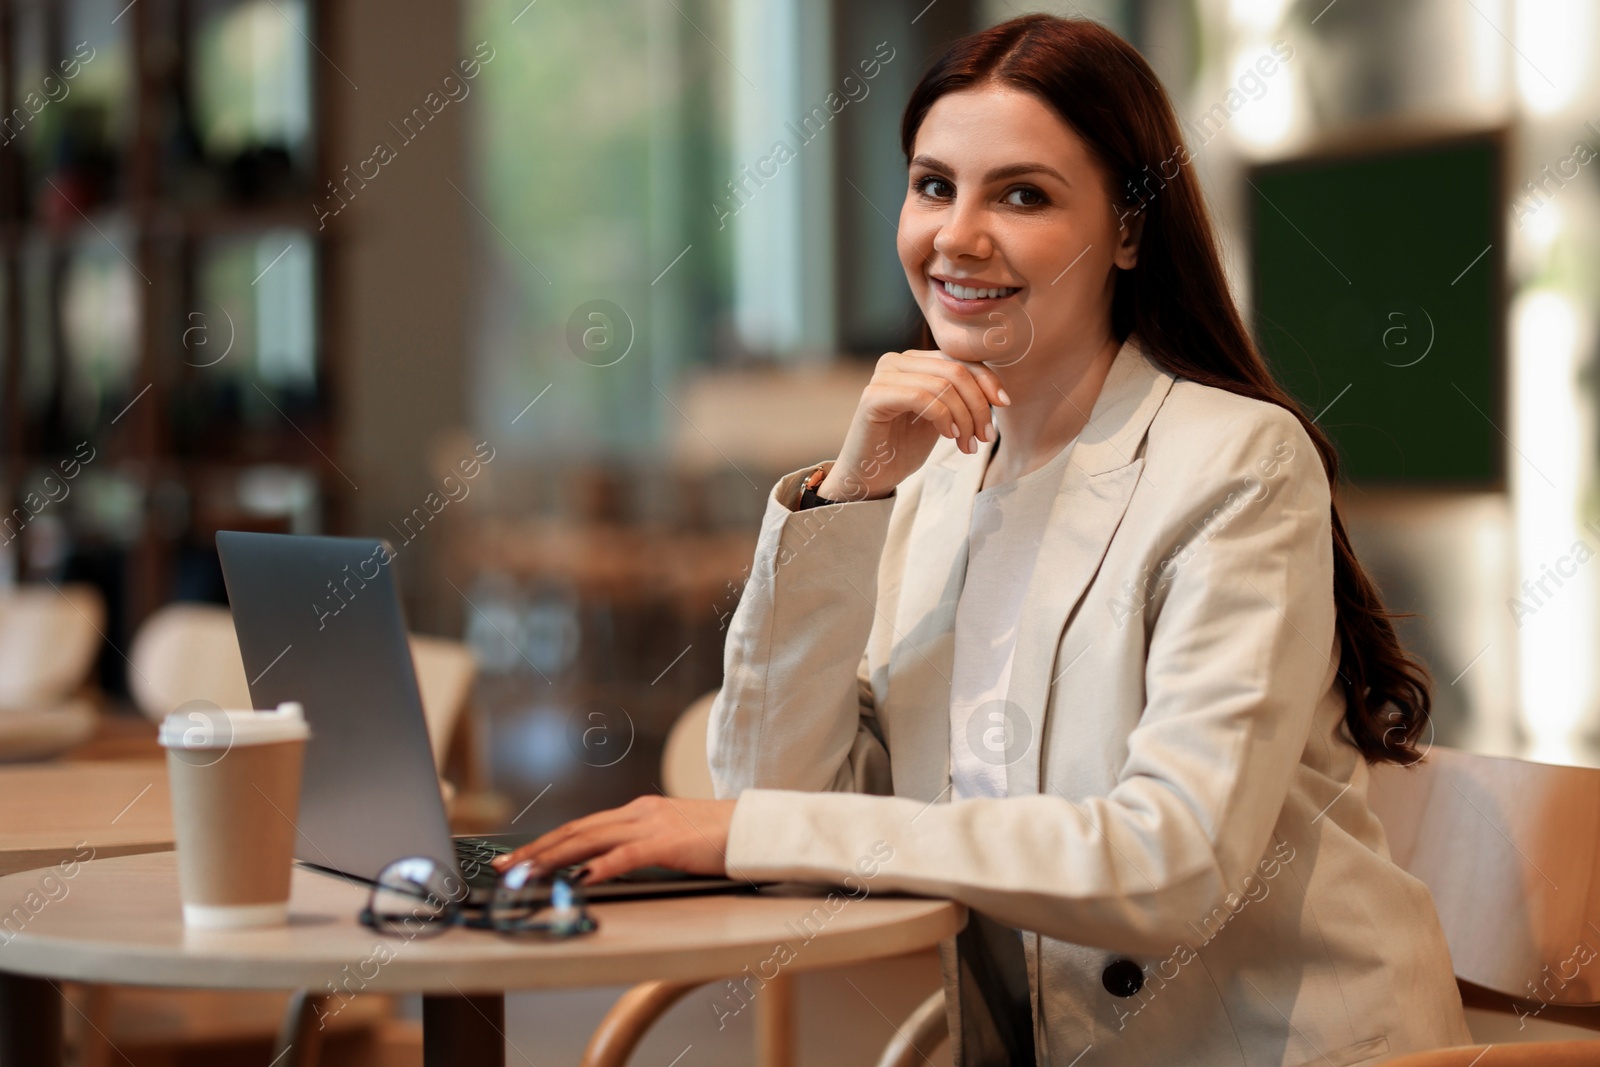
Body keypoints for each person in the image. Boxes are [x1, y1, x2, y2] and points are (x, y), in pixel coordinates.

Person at [496, 14, 1474, 1065]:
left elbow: (1170, 861)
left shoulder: (1236, 461)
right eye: (932, 185)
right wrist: (850, 493)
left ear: (1131, 231)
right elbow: (770, 794)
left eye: (1022, 194)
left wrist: (751, 832)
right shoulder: (933, 476)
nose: (956, 235)